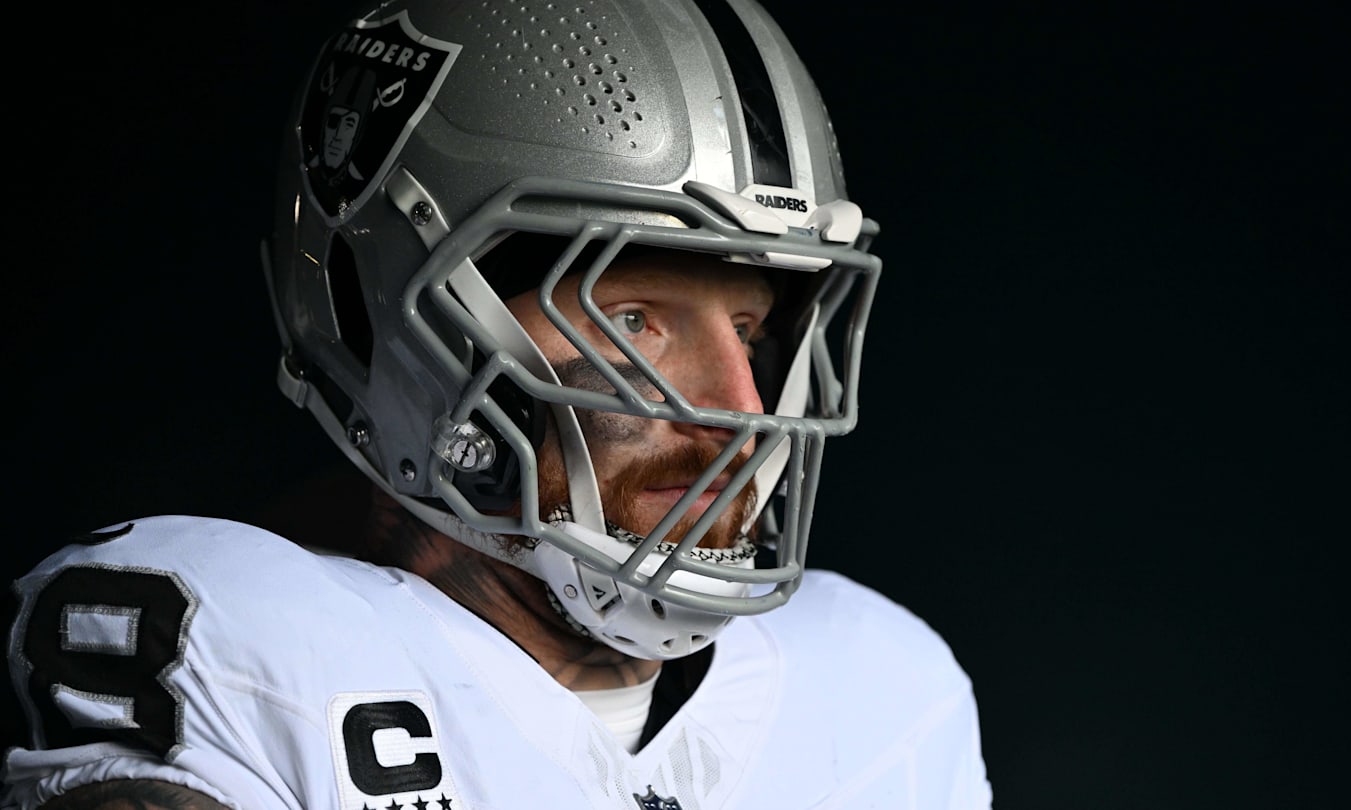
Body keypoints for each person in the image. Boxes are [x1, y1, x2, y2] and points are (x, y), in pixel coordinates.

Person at [3, 0, 992, 807]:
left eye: (749, 329)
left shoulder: (883, 691)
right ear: (371, 308)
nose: (734, 407)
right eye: (636, 317)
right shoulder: (238, 640)